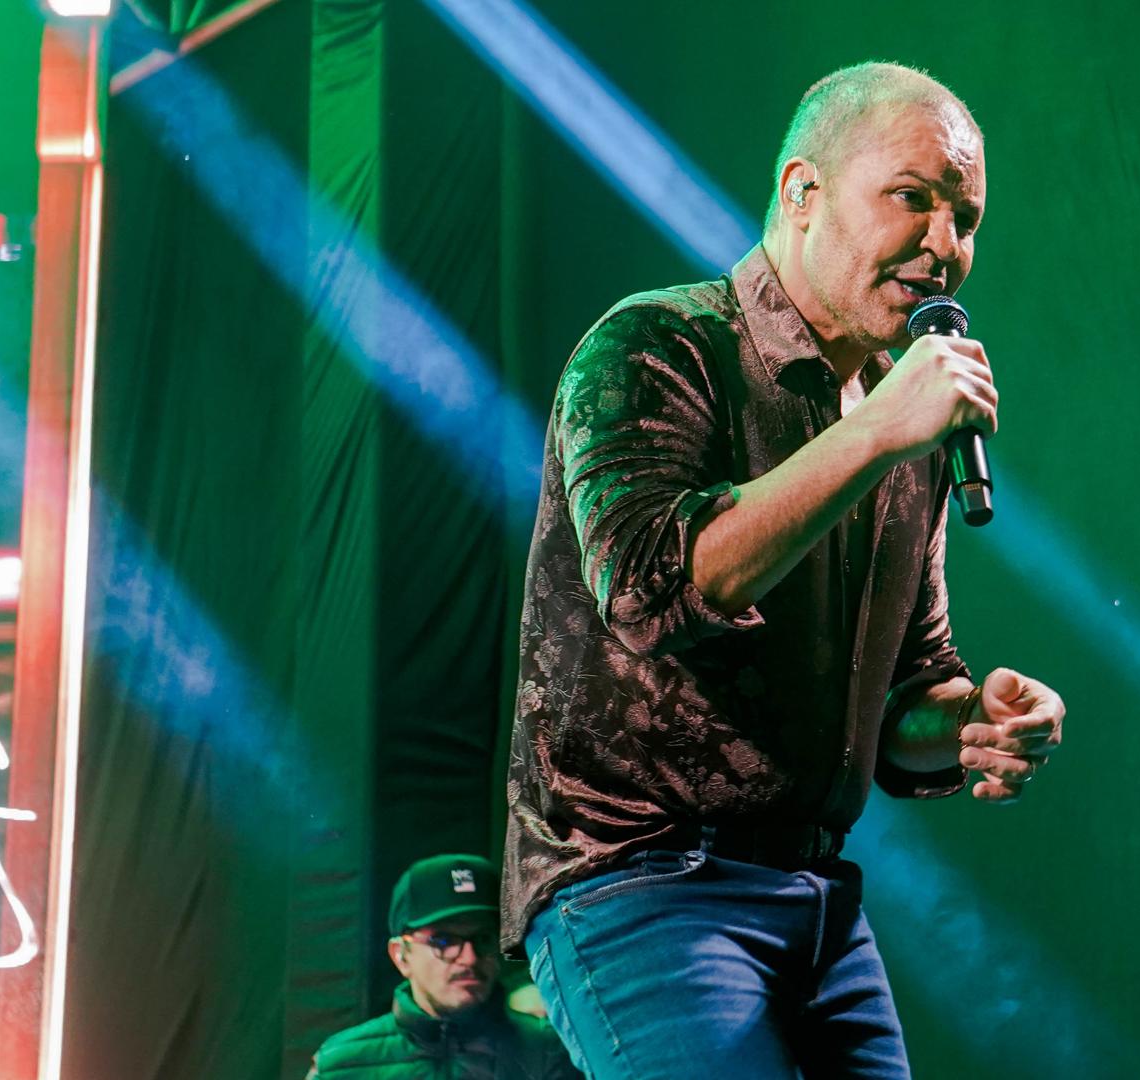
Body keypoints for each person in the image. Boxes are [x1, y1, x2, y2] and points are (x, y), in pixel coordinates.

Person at [502, 61, 1067, 1079]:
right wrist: (874, 435)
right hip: (641, 882)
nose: (946, 243)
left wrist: (970, 720)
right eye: (913, 197)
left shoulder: (902, 429)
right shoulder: (657, 345)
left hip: (818, 901)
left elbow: (909, 695)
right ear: (803, 191)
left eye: (966, 217)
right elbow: (651, 588)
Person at [309, 854, 578, 1079]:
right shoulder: (342, 1065)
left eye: (484, 939)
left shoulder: (549, 1050)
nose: (469, 958)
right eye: (444, 941)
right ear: (401, 955)